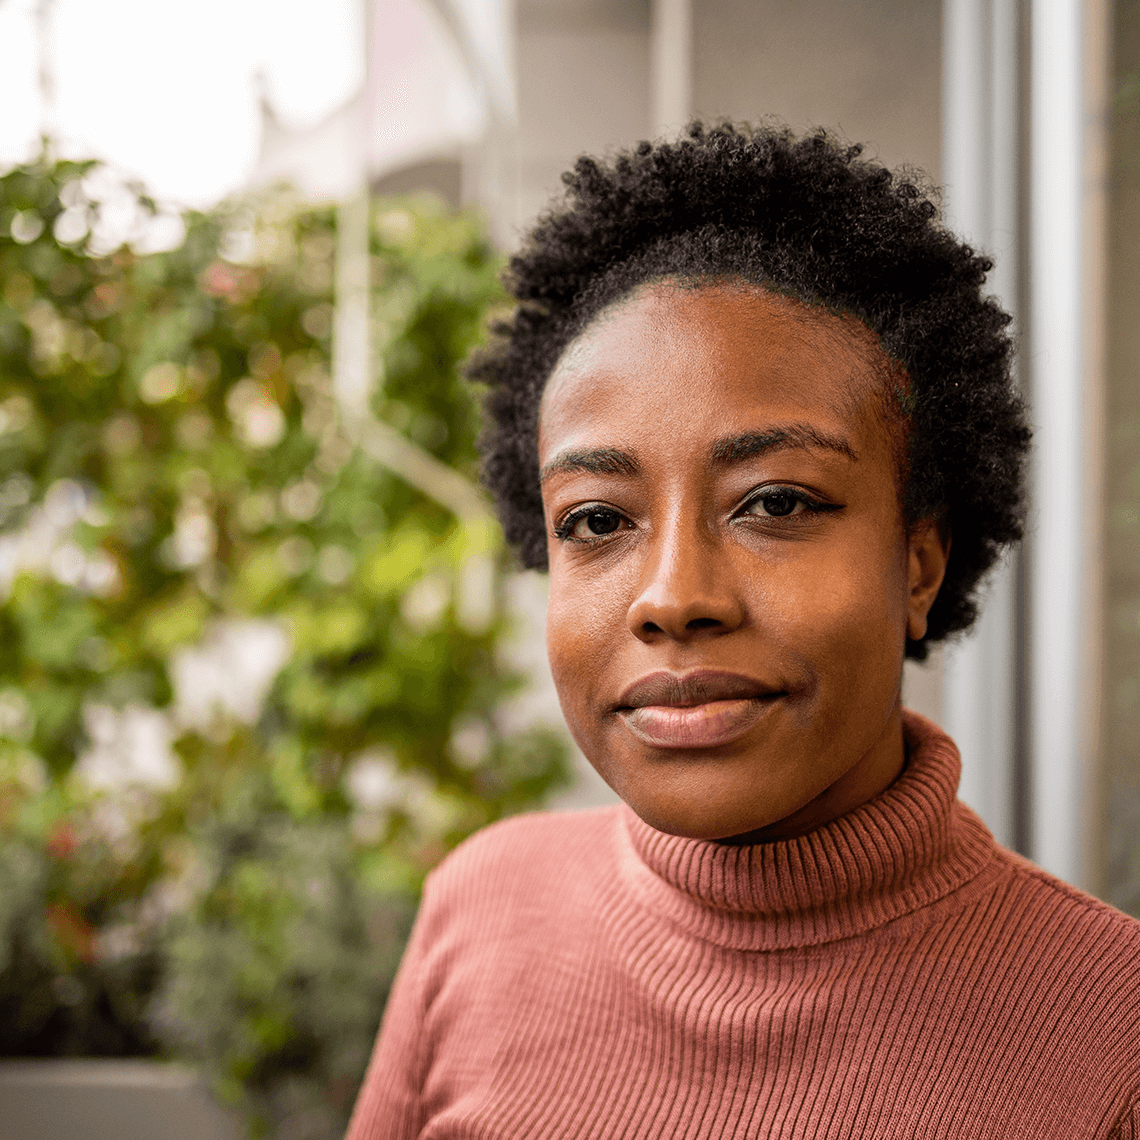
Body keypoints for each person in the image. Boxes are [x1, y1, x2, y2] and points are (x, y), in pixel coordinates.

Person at [346, 123, 1140, 1138]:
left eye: (775, 503)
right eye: (596, 521)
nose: (673, 596)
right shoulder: (481, 912)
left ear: (918, 564)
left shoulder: (1112, 1038)